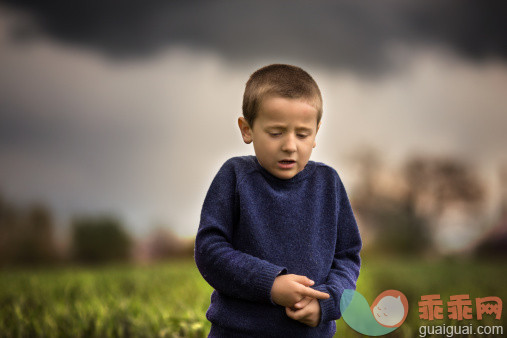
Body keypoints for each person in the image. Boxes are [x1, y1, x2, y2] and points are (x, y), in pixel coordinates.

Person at [194, 64, 362, 337]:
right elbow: (209, 250)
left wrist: (327, 303)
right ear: (247, 129)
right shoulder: (235, 177)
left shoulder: (329, 184)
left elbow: (347, 257)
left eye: (302, 134)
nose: (290, 145)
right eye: (276, 132)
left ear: (316, 132)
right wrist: (270, 284)